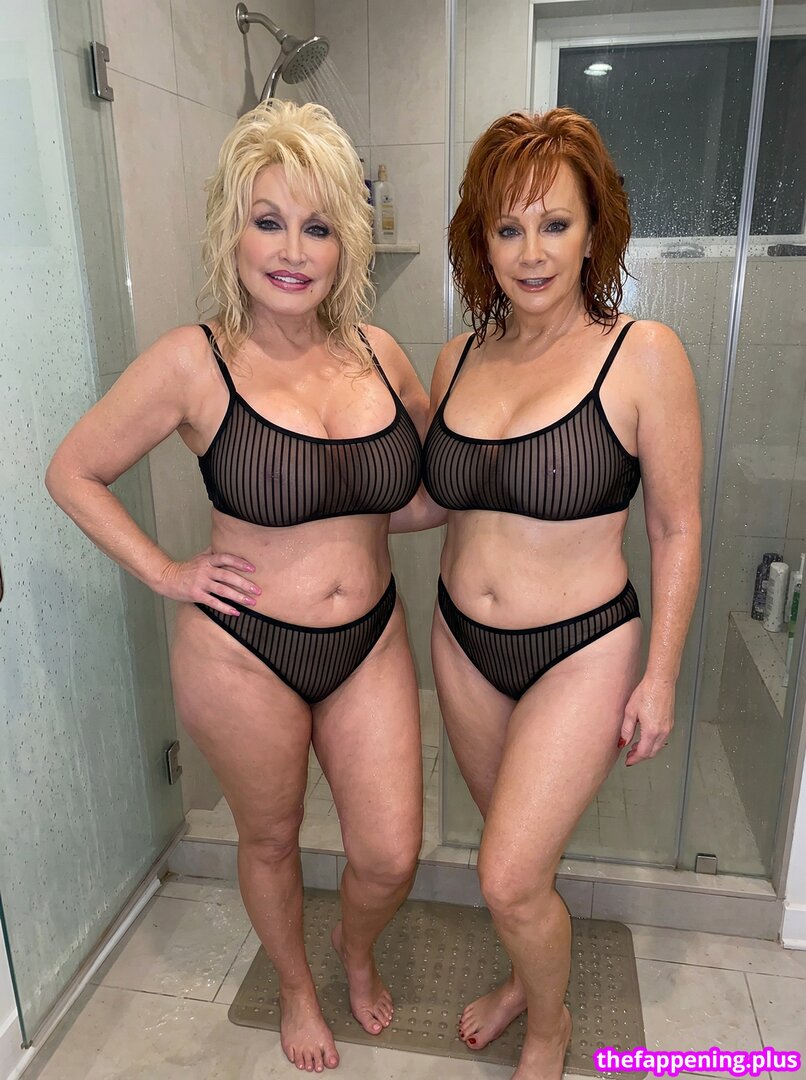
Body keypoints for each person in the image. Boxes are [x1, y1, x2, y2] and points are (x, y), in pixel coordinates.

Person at [46, 100, 435, 1075]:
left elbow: (429, 491)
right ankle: (296, 987)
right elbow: (73, 471)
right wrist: (167, 571)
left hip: (370, 642)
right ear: (233, 231)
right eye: (269, 221)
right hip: (241, 651)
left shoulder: (381, 356)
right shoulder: (195, 360)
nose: (292, 251)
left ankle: (352, 948)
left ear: (346, 242)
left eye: (317, 226)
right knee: (268, 839)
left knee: (389, 852)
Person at [422, 109, 702, 1080]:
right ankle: (522, 979)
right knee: (517, 865)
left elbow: (675, 528)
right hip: (463, 644)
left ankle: (549, 1026)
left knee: (506, 875)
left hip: (581, 650)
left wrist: (660, 676)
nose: (531, 252)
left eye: (554, 224)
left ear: (593, 232)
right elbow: (433, 500)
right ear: (481, 239)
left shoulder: (643, 354)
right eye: (508, 228)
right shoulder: (458, 358)